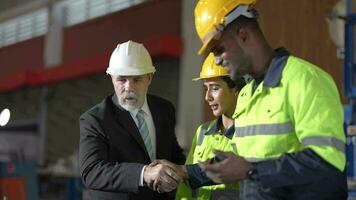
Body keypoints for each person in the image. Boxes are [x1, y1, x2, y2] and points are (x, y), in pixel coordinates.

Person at [194, 0, 347, 199]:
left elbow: (328, 160)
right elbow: (253, 166)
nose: (216, 60)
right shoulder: (247, 95)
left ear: (243, 35)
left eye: (219, 49)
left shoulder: (305, 80)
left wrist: (251, 169)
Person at [79, 40, 186, 200]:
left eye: (136, 79)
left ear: (149, 78)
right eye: (121, 80)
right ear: (112, 78)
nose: (129, 87)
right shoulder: (95, 120)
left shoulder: (164, 109)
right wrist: (144, 173)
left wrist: (183, 171)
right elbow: (92, 171)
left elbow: (174, 154)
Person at [171, 53, 245, 200]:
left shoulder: (250, 133)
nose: (207, 97)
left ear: (235, 88)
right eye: (206, 88)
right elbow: (185, 186)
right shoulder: (203, 132)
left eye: (215, 88)